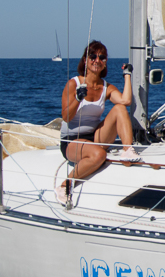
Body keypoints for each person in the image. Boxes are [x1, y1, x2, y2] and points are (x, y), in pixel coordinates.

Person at [59, 41, 138, 201]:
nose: (97, 60)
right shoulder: (73, 84)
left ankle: (127, 150)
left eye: (102, 57)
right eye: (93, 56)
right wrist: (77, 97)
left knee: (120, 108)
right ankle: (65, 184)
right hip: (72, 141)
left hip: (94, 137)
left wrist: (127, 75)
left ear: (105, 63)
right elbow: (66, 117)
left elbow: (126, 100)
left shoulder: (105, 87)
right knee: (99, 155)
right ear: (85, 60)